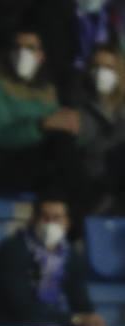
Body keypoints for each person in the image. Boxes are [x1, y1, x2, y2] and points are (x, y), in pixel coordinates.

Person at [0, 29, 84, 202]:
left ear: (41, 56)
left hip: (37, 161)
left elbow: (57, 128)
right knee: (61, 164)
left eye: (30, 48)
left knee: (64, 144)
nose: (23, 53)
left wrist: (71, 126)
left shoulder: (47, 90)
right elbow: (0, 137)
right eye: (17, 47)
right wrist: (41, 125)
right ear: (8, 53)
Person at [0, 194, 105, 326]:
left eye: (57, 218)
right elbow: (22, 307)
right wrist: (73, 319)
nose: (50, 223)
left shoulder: (72, 254)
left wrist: (90, 319)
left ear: (67, 223)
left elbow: (80, 300)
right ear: (33, 220)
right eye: (45, 217)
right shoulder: (13, 249)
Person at [74, 46, 125, 213]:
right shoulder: (77, 106)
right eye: (96, 66)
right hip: (93, 187)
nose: (101, 72)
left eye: (109, 68)